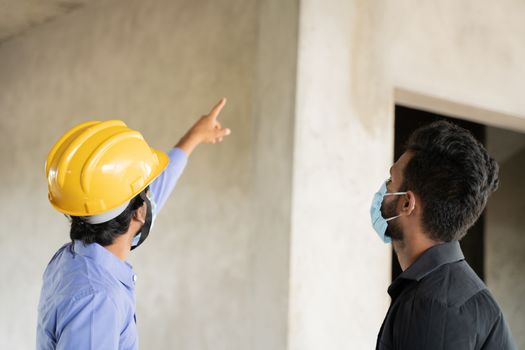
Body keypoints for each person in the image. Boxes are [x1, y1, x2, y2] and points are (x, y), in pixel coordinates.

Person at [36, 98, 231, 349]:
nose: (152, 196)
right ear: (139, 214)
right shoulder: (97, 302)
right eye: (146, 191)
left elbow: (149, 197)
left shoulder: (73, 259)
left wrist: (193, 138)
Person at [371, 121, 517, 349]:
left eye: (390, 182)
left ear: (407, 202)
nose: (383, 190)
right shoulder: (442, 291)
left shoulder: (434, 305)